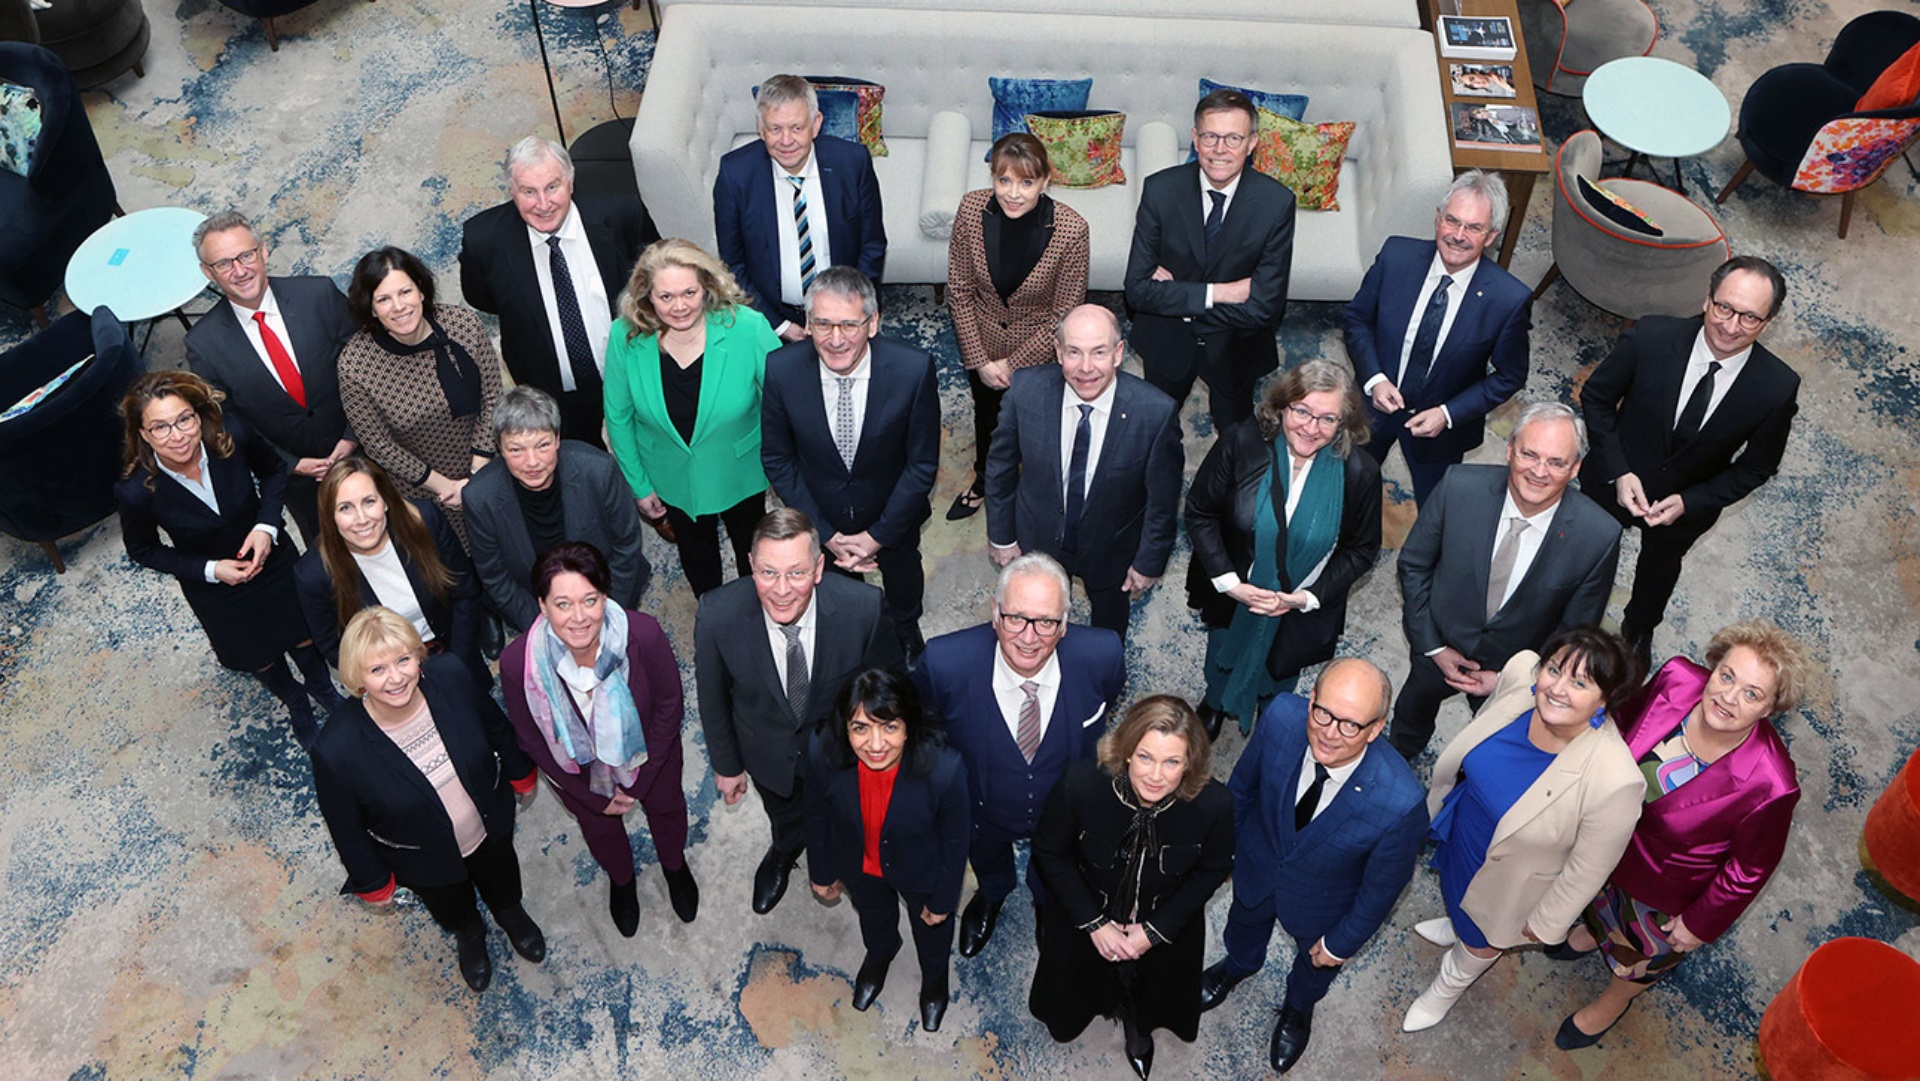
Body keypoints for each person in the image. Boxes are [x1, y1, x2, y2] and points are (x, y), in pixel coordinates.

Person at [1550, 620, 1807, 1050]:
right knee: (1595, 901)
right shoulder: (1676, 678)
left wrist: (1700, 924)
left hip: (1662, 888)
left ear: (1769, 709)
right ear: (1712, 667)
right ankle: (1591, 932)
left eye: (1752, 694)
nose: (1727, 697)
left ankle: (1612, 1004)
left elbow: (1750, 867)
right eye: (1727, 676)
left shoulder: (1772, 784)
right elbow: (1623, 721)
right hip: (1606, 840)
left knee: (1637, 957)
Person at [1402, 628, 1645, 1032]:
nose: (1557, 689)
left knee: (1481, 940)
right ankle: (1456, 926)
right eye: (1554, 670)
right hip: (1465, 830)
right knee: (1455, 892)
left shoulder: (1615, 780)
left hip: (1513, 879)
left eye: (1580, 683)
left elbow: (1588, 868)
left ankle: (1448, 985)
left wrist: (1549, 922)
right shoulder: (1521, 675)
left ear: (1606, 699)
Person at [1199, 659, 1427, 1075]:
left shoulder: (1401, 803)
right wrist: (1228, 853)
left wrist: (1341, 943)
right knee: (1244, 923)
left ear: (1376, 729)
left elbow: (1382, 889)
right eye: (1323, 713)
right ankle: (1238, 965)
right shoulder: (1281, 717)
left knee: (1313, 966)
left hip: (1325, 904)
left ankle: (1297, 1009)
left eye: (1350, 725)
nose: (1330, 732)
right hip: (1258, 863)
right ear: (1311, 702)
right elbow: (1242, 789)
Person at [1578, 257, 1800, 671]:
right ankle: (1572, 618)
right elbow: (1597, 399)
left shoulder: (1777, 386)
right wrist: (1618, 469)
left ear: (1768, 323)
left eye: (1750, 318)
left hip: (1685, 504)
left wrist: (1691, 501)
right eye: (1724, 308)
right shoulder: (1651, 336)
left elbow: (1757, 467)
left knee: (1658, 572)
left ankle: (1639, 630)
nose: (1731, 327)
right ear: (1706, 300)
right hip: (1613, 478)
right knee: (1583, 555)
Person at [310, 607, 545, 993]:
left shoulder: (451, 675)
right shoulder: (337, 748)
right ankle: (469, 934)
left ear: (418, 656)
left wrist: (521, 774)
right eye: (377, 669)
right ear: (357, 678)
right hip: (422, 856)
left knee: (502, 876)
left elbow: (495, 726)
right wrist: (374, 882)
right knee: (451, 905)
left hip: (489, 822)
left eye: (403, 659)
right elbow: (345, 827)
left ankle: (510, 913)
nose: (396, 677)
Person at [912, 553, 1127, 959]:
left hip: (1063, 811)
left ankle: (1046, 901)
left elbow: (1109, 696)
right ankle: (993, 892)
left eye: (1045, 622)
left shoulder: (1103, 654)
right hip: (982, 804)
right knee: (988, 854)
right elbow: (925, 723)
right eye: (1016, 618)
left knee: (1055, 861)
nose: (1029, 637)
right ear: (995, 613)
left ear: (1064, 624)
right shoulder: (944, 663)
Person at [115, 370, 343, 747]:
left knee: (303, 634)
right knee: (260, 657)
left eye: (184, 419)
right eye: (160, 427)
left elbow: (273, 472)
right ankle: (294, 700)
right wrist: (210, 570)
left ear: (197, 414)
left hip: (273, 562)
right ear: (142, 434)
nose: (178, 435)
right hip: (216, 590)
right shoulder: (136, 490)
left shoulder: (230, 436)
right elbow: (142, 550)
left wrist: (266, 527)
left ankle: (320, 686)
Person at [694, 509, 901, 915]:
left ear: (820, 567)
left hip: (843, 759)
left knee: (850, 824)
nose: (782, 590)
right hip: (768, 755)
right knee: (784, 815)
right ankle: (786, 850)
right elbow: (713, 699)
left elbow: (890, 690)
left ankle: (852, 869)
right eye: (768, 573)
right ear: (751, 565)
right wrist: (727, 765)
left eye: (796, 573)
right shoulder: (717, 616)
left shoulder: (863, 608)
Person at [1390, 402, 1622, 760]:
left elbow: (1574, 631)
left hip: (1516, 669)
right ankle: (1402, 752)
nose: (1539, 472)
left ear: (1575, 468)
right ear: (1510, 449)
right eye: (1530, 454)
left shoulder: (1598, 536)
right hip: (1436, 642)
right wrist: (1433, 647)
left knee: (1493, 748)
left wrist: (1512, 679)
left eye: (1557, 462)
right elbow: (1414, 565)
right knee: (1411, 715)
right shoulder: (1457, 486)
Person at [1029, 696, 1234, 1081]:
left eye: (1172, 762)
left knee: (1154, 987)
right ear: (1126, 752)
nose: (1156, 775)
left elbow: (1213, 868)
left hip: (1165, 922)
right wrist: (1094, 923)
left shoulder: (1215, 804)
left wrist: (1154, 932)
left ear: (1189, 762)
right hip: (1085, 912)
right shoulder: (1081, 784)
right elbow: (1049, 851)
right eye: (1145, 757)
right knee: (1074, 981)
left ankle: (1138, 1030)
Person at [501, 542, 698, 937]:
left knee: (667, 811)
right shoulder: (518, 663)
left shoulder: (643, 634)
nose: (578, 617)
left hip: (652, 760)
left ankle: (674, 867)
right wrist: (593, 796)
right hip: (581, 777)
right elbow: (531, 739)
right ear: (542, 605)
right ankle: (622, 881)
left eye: (589, 600)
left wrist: (640, 781)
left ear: (605, 597)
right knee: (601, 832)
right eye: (562, 604)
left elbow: (668, 706)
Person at [1184, 359, 1383, 739]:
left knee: (1281, 669)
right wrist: (1229, 583)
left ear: (1344, 422)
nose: (1311, 428)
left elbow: (1362, 550)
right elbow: (1200, 512)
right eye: (1302, 411)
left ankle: (1268, 706)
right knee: (1223, 646)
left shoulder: (1360, 473)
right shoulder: (1241, 442)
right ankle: (1215, 699)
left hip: (1300, 605)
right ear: (1281, 405)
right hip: (1236, 590)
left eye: (1328, 419)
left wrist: (1305, 599)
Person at [762, 267, 941, 663]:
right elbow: (777, 458)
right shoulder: (781, 369)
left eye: (848, 324)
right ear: (808, 324)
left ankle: (906, 625)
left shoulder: (913, 370)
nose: (836, 339)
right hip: (820, 514)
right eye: (823, 324)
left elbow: (922, 464)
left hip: (893, 513)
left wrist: (878, 535)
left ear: (873, 323)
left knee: (903, 575)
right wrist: (825, 533)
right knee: (835, 599)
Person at [985, 305, 1183, 637]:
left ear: (1118, 353)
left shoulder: (1156, 414)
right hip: (1037, 538)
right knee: (1035, 625)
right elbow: (1000, 466)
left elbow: (1162, 501)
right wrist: (1001, 536)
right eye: (1074, 352)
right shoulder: (1025, 391)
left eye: (1099, 352)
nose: (1086, 368)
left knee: (1108, 631)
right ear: (1058, 351)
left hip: (1112, 550)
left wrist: (1149, 561)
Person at [602, 238, 779, 596]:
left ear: (707, 287)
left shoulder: (748, 328)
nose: (679, 306)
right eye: (665, 297)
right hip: (670, 477)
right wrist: (639, 485)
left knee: (754, 554)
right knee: (698, 559)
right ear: (646, 296)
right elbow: (617, 416)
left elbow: (784, 403)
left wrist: (783, 466)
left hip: (740, 472)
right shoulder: (626, 335)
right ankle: (712, 615)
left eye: (689, 293)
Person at [1344, 172, 1531, 505]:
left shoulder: (1508, 299)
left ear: (1491, 236)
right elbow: (1358, 320)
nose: (1458, 236)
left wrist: (1447, 414)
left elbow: (1510, 375)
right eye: (1452, 221)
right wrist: (1375, 379)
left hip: (1442, 432)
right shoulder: (1395, 256)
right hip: (1372, 408)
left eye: (1473, 228)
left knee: (1435, 508)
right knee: (1351, 487)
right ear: (1437, 218)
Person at [459, 136, 659, 447]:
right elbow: (481, 297)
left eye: (552, 187)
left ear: (570, 182)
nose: (543, 203)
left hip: (634, 375)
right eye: (528, 191)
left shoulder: (623, 214)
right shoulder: (483, 240)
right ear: (511, 192)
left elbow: (656, 280)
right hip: (552, 392)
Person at [805, 668, 970, 1032]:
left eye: (889, 727)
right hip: (858, 864)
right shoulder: (823, 750)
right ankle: (881, 952)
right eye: (860, 728)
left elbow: (957, 840)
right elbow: (815, 813)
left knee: (931, 931)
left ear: (909, 726)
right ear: (844, 728)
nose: (875, 744)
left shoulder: (944, 769)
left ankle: (934, 982)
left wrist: (943, 900)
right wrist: (821, 871)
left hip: (921, 870)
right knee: (873, 916)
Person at [1124, 87, 1296, 430]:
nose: (1220, 149)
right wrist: (1220, 292)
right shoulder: (1160, 190)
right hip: (1167, 342)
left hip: (1236, 346)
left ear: (1252, 143)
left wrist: (1178, 298)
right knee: (1155, 428)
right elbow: (1137, 291)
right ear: (1195, 138)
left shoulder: (1276, 203)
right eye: (1211, 136)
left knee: (1235, 434)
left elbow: (1264, 307)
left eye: (1233, 137)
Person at [183, 210, 357, 546]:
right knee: (330, 555)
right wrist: (291, 464)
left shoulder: (319, 295)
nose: (240, 270)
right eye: (224, 263)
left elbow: (367, 362)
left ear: (263, 251)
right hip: (298, 478)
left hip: (366, 444)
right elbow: (226, 422)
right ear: (208, 273)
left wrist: (352, 436)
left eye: (246, 255)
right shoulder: (202, 344)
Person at [944, 132, 1090, 520]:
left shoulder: (1072, 231)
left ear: (1045, 182)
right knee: (987, 416)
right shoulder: (971, 209)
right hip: (983, 346)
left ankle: (1036, 492)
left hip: (1039, 353)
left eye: (1026, 182)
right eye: (1004, 180)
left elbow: (1064, 313)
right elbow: (959, 291)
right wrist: (980, 360)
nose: (1013, 193)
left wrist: (1012, 364)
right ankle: (984, 481)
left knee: (1039, 425)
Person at [336, 246, 503, 547]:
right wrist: (447, 487)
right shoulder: (355, 364)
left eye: (405, 292)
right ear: (372, 309)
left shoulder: (463, 325)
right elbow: (378, 444)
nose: (398, 306)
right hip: (424, 496)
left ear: (421, 291)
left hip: (489, 471)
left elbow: (492, 396)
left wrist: (477, 473)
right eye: (383, 299)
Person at [713, 74, 887, 342]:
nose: (786, 141)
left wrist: (842, 315)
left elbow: (872, 245)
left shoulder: (853, 163)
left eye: (796, 128)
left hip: (844, 313)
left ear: (816, 125)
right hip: (771, 317)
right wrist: (780, 326)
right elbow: (732, 265)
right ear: (760, 128)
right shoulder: (734, 174)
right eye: (775, 129)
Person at [466, 386, 650, 633]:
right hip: (536, 607)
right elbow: (495, 576)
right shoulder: (480, 497)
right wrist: (546, 630)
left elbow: (626, 546)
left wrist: (601, 615)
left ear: (558, 439)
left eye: (542, 445)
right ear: (499, 448)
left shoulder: (598, 471)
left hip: (607, 594)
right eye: (516, 449)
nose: (532, 462)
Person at [294, 456, 487, 688]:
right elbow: (335, 649)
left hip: (454, 651)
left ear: (385, 501)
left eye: (369, 501)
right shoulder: (313, 575)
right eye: (345, 508)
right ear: (330, 517)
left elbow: (464, 591)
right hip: (389, 682)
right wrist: (389, 683)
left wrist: (457, 661)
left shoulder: (424, 520)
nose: (362, 519)